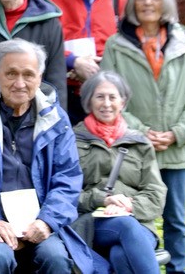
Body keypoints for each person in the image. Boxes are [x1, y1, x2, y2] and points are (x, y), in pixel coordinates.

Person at [0, 39, 93, 274]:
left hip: (39, 223)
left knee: (55, 258)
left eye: (28, 75)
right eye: (11, 73)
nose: (19, 83)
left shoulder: (56, 119)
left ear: (40, 78)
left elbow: (68, 178)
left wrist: (47, 221)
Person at [101, 0, 185, 274]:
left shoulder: (184, 44)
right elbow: (108, 94)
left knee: (175, 219)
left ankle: (177, 270)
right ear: (132, 3)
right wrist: (141, 132)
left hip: (175, 152)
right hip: (134, 152)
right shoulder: (116, 45)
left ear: (166, 2)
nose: (148, 2)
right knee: (133, 216)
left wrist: (178, 133)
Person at [74, 71, 167, 274]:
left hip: (139, 223)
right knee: (125, 226)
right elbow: (65, 193)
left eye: (112, 97)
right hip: (91, 223)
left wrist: (128, 206)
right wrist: (102, 200)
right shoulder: (72, 140)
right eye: (100, 97)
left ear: (123, 102)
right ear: (89, 101)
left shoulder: (140, 142)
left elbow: (156, 193)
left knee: (119, 254)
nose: (106, 104)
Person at [45, 0, 127, 125]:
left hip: (107, 96)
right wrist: (73, 62)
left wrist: (102, 66)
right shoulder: (50, 0)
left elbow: (131, 43)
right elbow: (43, 43)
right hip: (66, 93)